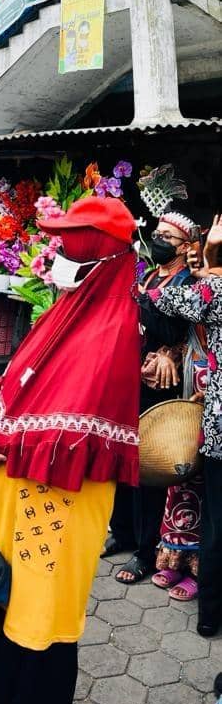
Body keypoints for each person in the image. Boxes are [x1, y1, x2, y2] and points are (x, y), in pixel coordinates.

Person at [0, 198, 140, 704]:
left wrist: (4, 435)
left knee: (43, 606)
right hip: (6, 478)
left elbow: (82, 417)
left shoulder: (120, 322)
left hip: (60, 495)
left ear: (97, 252)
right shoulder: (62, 311)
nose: (56, 254)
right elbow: (11, 385)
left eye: (68, 244)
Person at [112, 212, 196, 585]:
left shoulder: (187, 283)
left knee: (150, 465)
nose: (158, 240)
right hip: (133, 377)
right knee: (124, 457)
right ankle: (123, 531)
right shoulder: (148, 275)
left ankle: (146, 552)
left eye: (168, 237)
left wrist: (168, 353)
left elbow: (180, 331)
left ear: (184, 247)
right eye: (157, 233)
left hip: (162, 384)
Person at [149, 217, 222, 638]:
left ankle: (210, 615)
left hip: (217, 421)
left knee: (215, 520)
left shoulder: (214, 291)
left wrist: (210, 262)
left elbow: (166, 300)